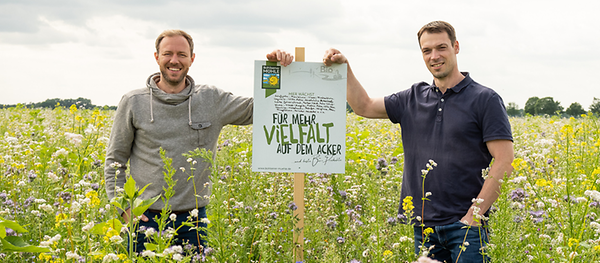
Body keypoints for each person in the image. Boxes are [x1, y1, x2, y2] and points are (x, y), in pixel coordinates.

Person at [323, 21, 514, 263]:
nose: (434, 56)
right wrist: (345, 68)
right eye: (427, 50)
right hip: (423, 228)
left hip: (467, 229)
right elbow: (364, 106)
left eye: (441, 47)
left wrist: (473, 216)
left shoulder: (485, 99)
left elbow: (505, 160)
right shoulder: (412, 98)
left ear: (456, 47)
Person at [104, 29, 293, 254]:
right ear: (156, 57)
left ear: (192, 59)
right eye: (168, 54)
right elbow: (115, 160)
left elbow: (261, 109)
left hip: (193, 220)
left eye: (182, 55)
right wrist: (124, 207)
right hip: (145, 220)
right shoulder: (133, 102)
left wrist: (273, 70)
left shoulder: (211, 99)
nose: (174, 60)